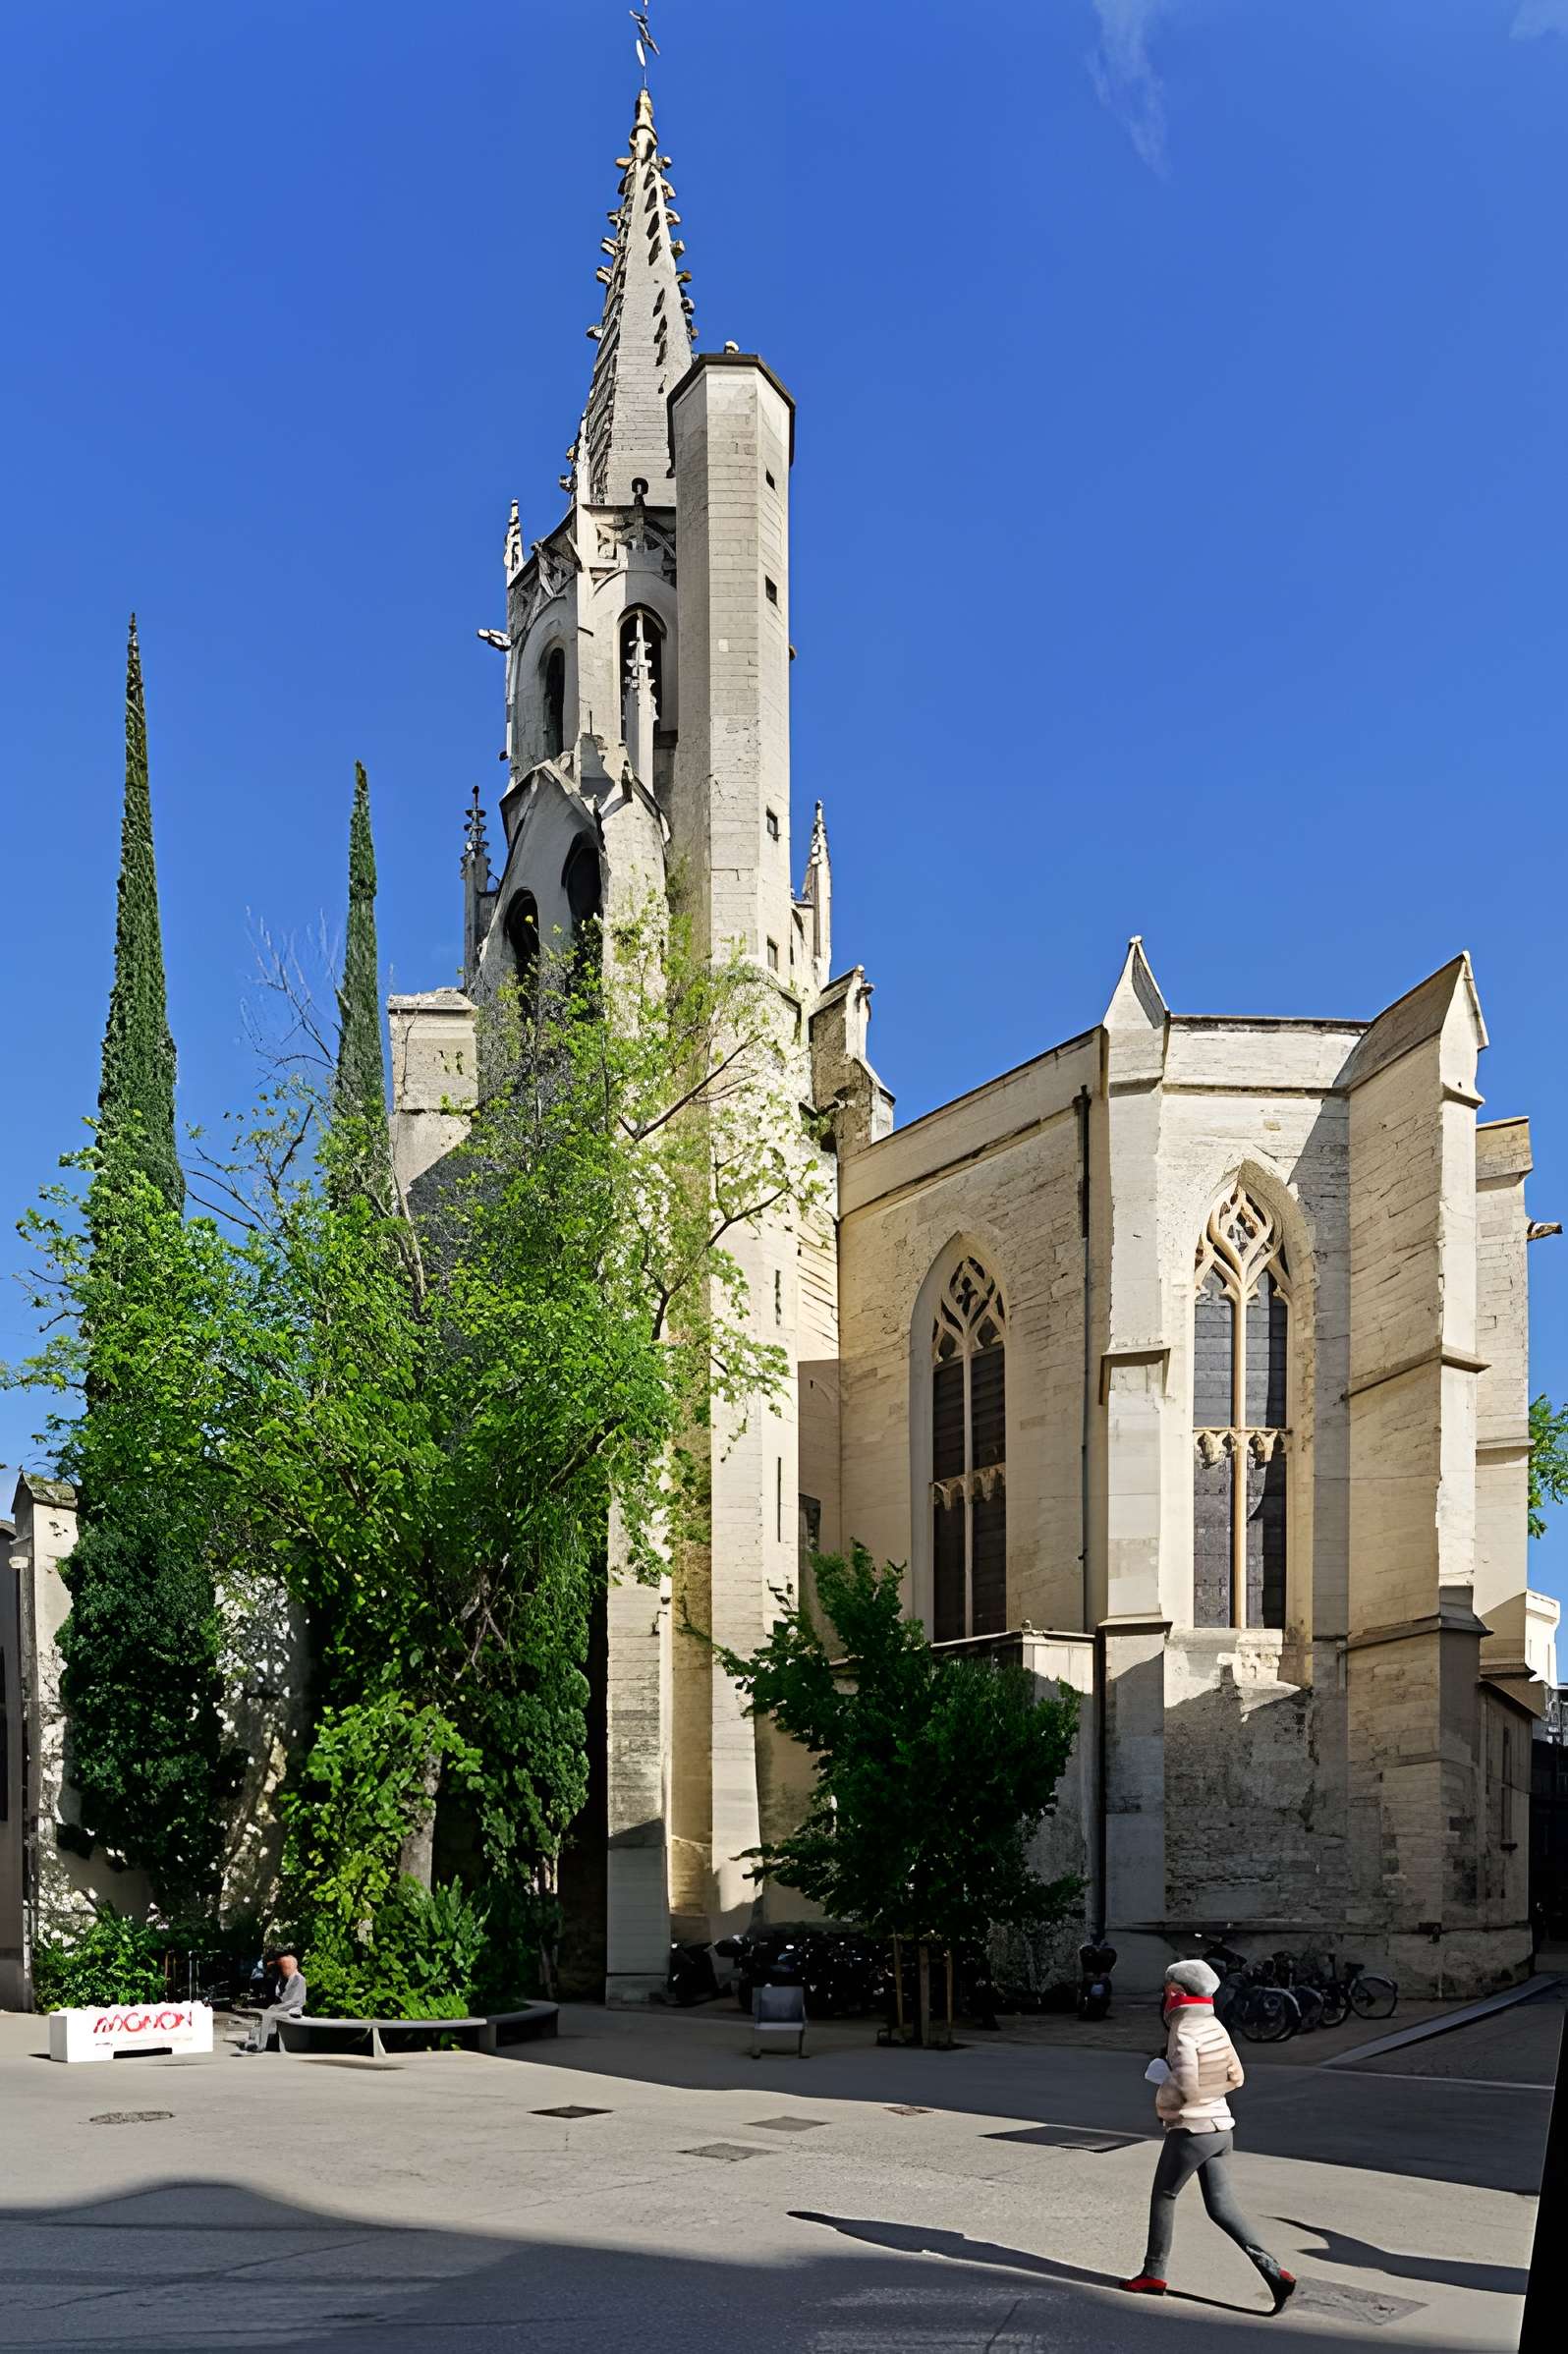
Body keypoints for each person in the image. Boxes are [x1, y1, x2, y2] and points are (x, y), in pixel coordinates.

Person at [1120, 1959, 1296, 2312]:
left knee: (1164, 2196)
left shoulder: (1183, 2030)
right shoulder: (1215, 2024)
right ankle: (1275, 2272)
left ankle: (1153, 2274)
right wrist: (1209, 2092)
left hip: (1193, 2129)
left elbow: (1185, 2089)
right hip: (1222, 2128)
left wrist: (1162, 2080)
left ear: (1175, 1992)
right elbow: (1237, 2077)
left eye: (1167, 1989)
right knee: (1222, 2208)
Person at [236, 1950, 308, 2053]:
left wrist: (278, 2007)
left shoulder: (299, 1979)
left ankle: (261, 2046)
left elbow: (297, 2001)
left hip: (293, 2011)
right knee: (266, 2014)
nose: (283, 1971)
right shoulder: (285, 1979)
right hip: (284, 2010)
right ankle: (253, 2042)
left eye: (285, 1968)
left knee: (268, 2015)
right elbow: (280, 1996)